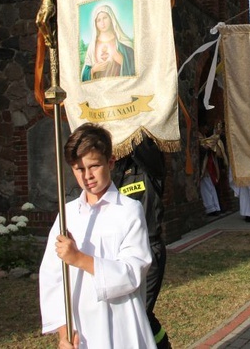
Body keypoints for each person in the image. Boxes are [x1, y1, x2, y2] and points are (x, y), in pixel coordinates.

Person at [39, 123, 156, 348]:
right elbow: (52, 277)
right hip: (79, 324)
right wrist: (63, 331)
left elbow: (133, 271)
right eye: (78, 169)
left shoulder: (129, 210)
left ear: (110, 162)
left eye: (94, 166)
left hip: (119, 319)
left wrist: (79, 259)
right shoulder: (67, 214)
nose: (87, 176)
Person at [113, 135, 170, 348]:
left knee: (139, 313)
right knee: (134, 315)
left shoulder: (151, 163)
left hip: (148, 249)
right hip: (122, 254)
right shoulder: (114, 169)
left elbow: (140, 141)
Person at [81, 5, 136, 81]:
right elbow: (84, 74)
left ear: (111, 19)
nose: (102, 23)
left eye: (105, 18)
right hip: (100, 89)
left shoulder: (122, 41)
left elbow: (134, 68)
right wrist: (93, 70)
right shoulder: (93, 45)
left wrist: (121, 60)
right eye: (98, 20)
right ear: (95, 24)